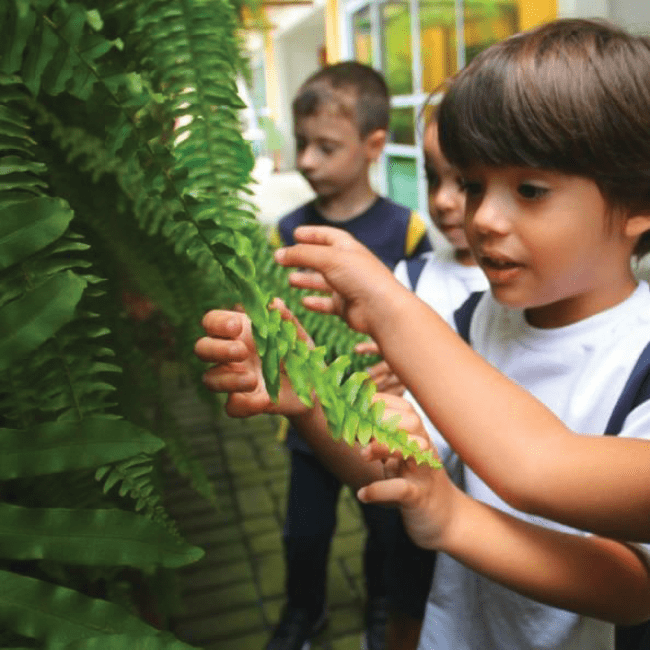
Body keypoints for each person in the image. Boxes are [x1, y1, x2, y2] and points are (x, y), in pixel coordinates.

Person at [195, 19, 650, 649]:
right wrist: (310, 400)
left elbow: (631, 588)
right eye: (473, 184)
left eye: (530, 189)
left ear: (636, 203)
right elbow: (394, 463)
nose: (483, 217)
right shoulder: (474, 322)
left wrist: (388, 303)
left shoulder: (641, 361)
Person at [264, 61, 432, 650]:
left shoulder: (407, 230)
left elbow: (423, 318)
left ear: (373, 146)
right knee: (303, 533)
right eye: (301, 144)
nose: (306, 161)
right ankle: (301, 611)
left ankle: (383, 607)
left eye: (325, 147)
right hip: (308, 424)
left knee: (387, 530)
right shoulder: (285, 230)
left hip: (376, 427)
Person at [354, 108, 488, 649]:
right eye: (434, 178)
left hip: (481, 520)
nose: (444, 200)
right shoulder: (408, 279)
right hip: (415, 509)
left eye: (467, 181)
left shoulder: (512, 302)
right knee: (405, 606)